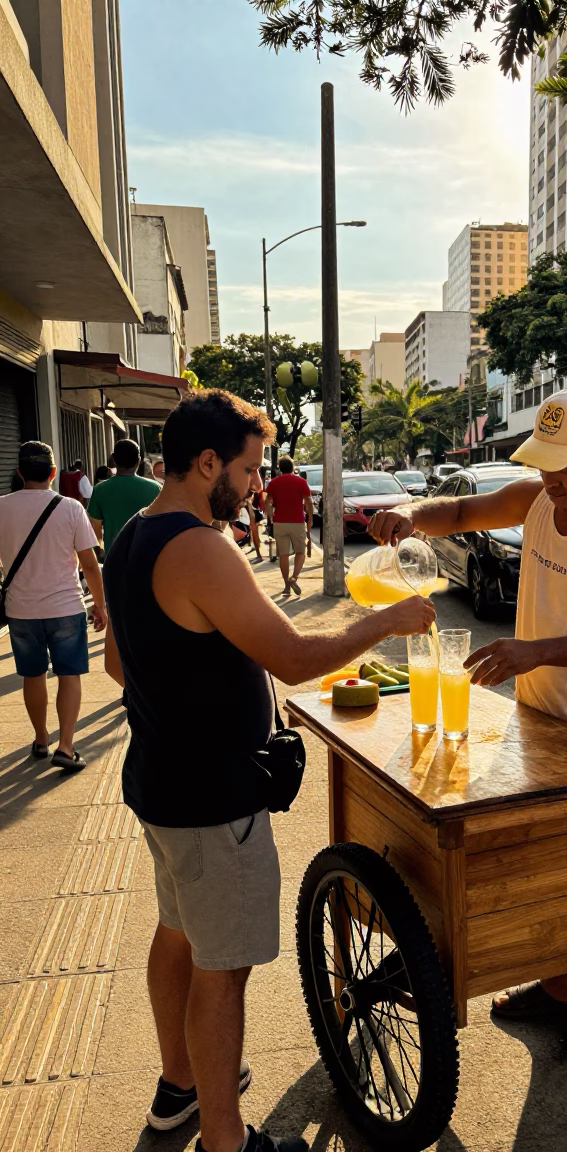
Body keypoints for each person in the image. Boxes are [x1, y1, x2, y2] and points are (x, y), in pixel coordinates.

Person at [101, 389, 435, 1152]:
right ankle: (226, 1139)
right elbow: (291, 655)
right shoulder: (198, 546)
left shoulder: (130, 537)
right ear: (207, 461)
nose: (257, 485)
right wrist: (387, 618)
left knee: (179, 936)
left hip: (160, 783)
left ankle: (180, 1087)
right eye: (250, 470)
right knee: (224, 970)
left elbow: (121, 663)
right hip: (215, 802)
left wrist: (190, 694)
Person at [369, 388, 567, 1099]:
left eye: (566, 466)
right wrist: (412, 513)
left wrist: (535, 651)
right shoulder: (540, 499)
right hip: (540, 721)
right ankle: (563, 991)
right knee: (544, 863)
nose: (552, 480)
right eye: (546, 464)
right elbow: (466, 511)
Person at [0, 442, 107, 768]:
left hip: (20, 610)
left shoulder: (1, 507)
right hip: (65, 607)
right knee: (69, 674)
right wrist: (100, 605)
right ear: (52, 472)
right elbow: (89, 564)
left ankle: (41, 739)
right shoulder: (71, 508)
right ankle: (65, 746)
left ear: (19, 473)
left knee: (32, 676)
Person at [87, 439, 161, 554]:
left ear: (114, 459)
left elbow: (95, 532)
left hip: (114, 559)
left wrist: (101, 552)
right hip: (147, 559)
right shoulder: (155, 488)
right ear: (139, 460)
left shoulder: (100, 490)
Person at [264, 456, 313, 596]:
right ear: (293, 467)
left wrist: (270, 518)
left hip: (280, 522)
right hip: (297, 521)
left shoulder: (273, 482)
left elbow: (268, 502)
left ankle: (286, 585)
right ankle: (294, 578)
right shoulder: (301, 482)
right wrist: (310, 518)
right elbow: (308, 502)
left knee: (283, 555)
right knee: (300, 552)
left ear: (280, 468)